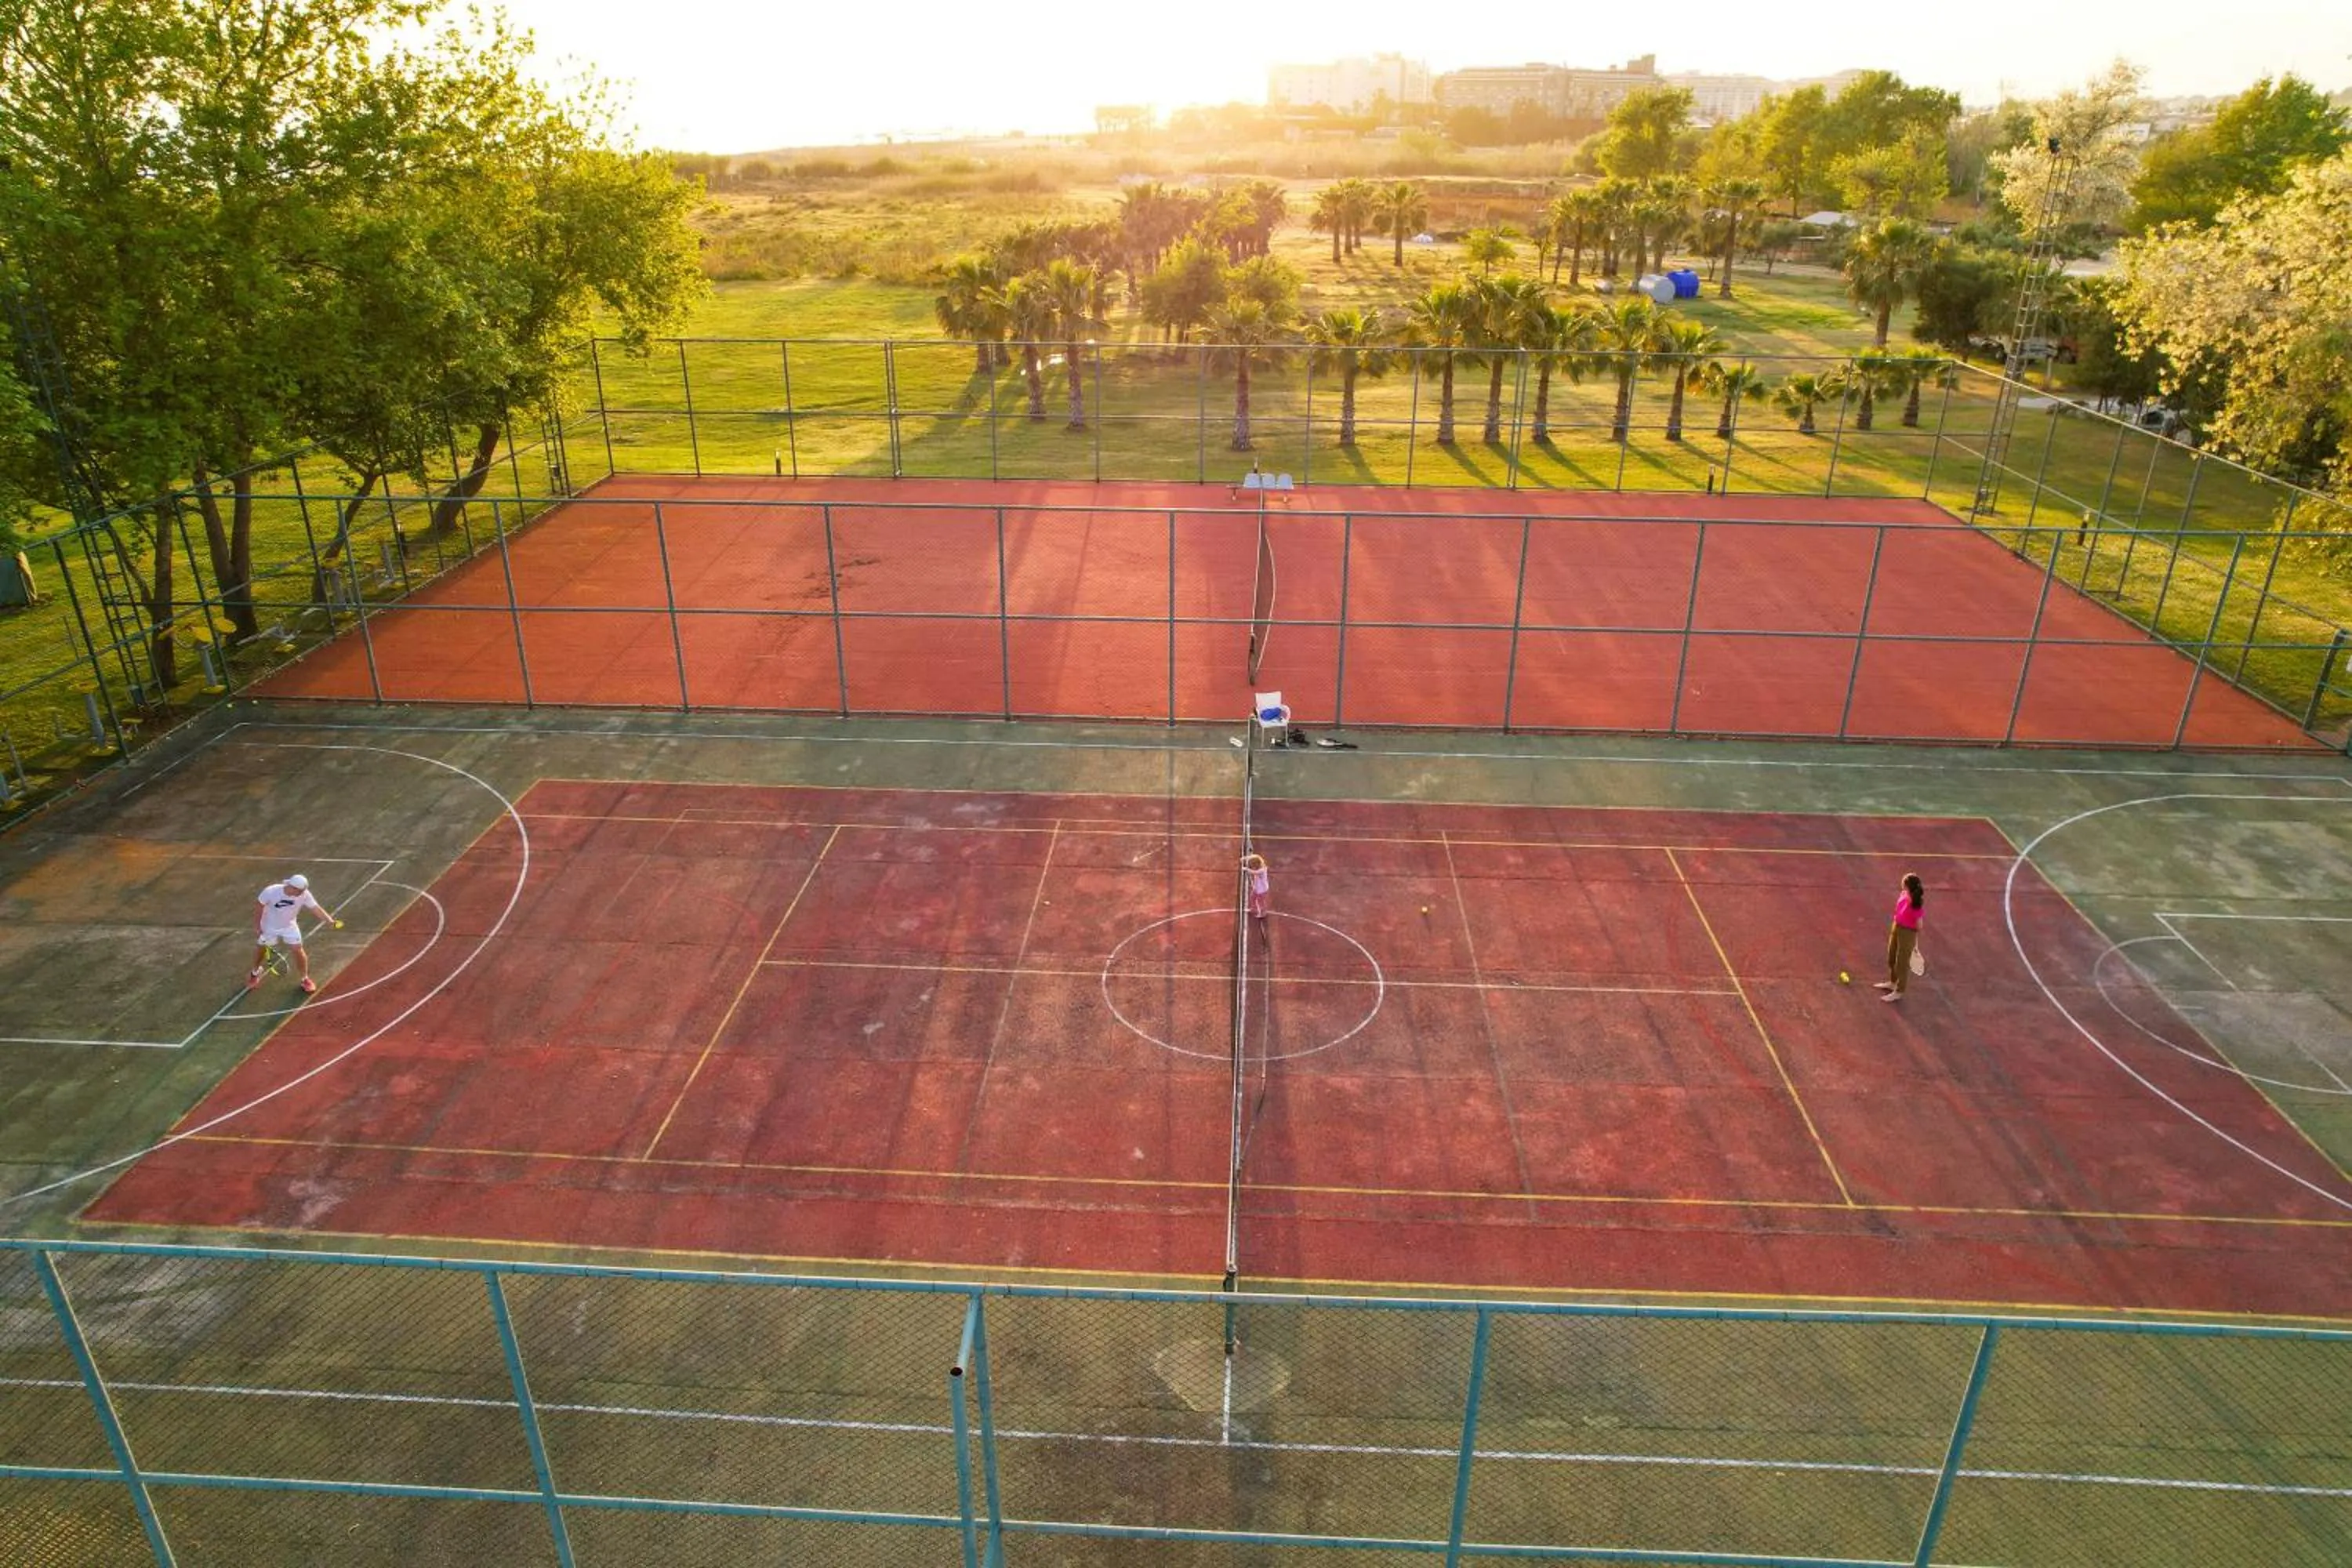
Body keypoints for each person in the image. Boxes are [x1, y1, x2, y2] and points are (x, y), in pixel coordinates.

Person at [249, 873, 339, 995]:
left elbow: (315, 908)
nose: (302, 893)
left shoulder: (304, 895)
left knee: (298, 949)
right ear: (292, 888)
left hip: (290, 927)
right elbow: (259, 906)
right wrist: (257, 926)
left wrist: (330, 921)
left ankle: (305, 979)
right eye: (300, 891)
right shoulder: (271, 891)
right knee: (262, 949)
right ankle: (255, 972)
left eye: (303, 890)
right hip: (269, 926)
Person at [1878, 873, 1924, 1002]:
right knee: (1892, 955)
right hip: (1897, 926)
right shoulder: (1903, 894)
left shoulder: (1916, 904)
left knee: (1902, 963)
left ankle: (1899, 990)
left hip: (1907, 932)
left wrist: (1912, 937)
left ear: (1908, 886)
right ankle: (1893, 982)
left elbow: (1919, 925)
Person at [1243, 852, 1271, 921]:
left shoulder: (1262, 869)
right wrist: (1244, 858)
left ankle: (1263, 913)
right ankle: (1253, 909)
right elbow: (1256, 856)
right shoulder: (1260, 866)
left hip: (1262, 890)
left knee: (1260, 901)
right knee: (1252, 898)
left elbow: (1255, 872)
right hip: (1257, 887)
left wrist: (1246, 869)